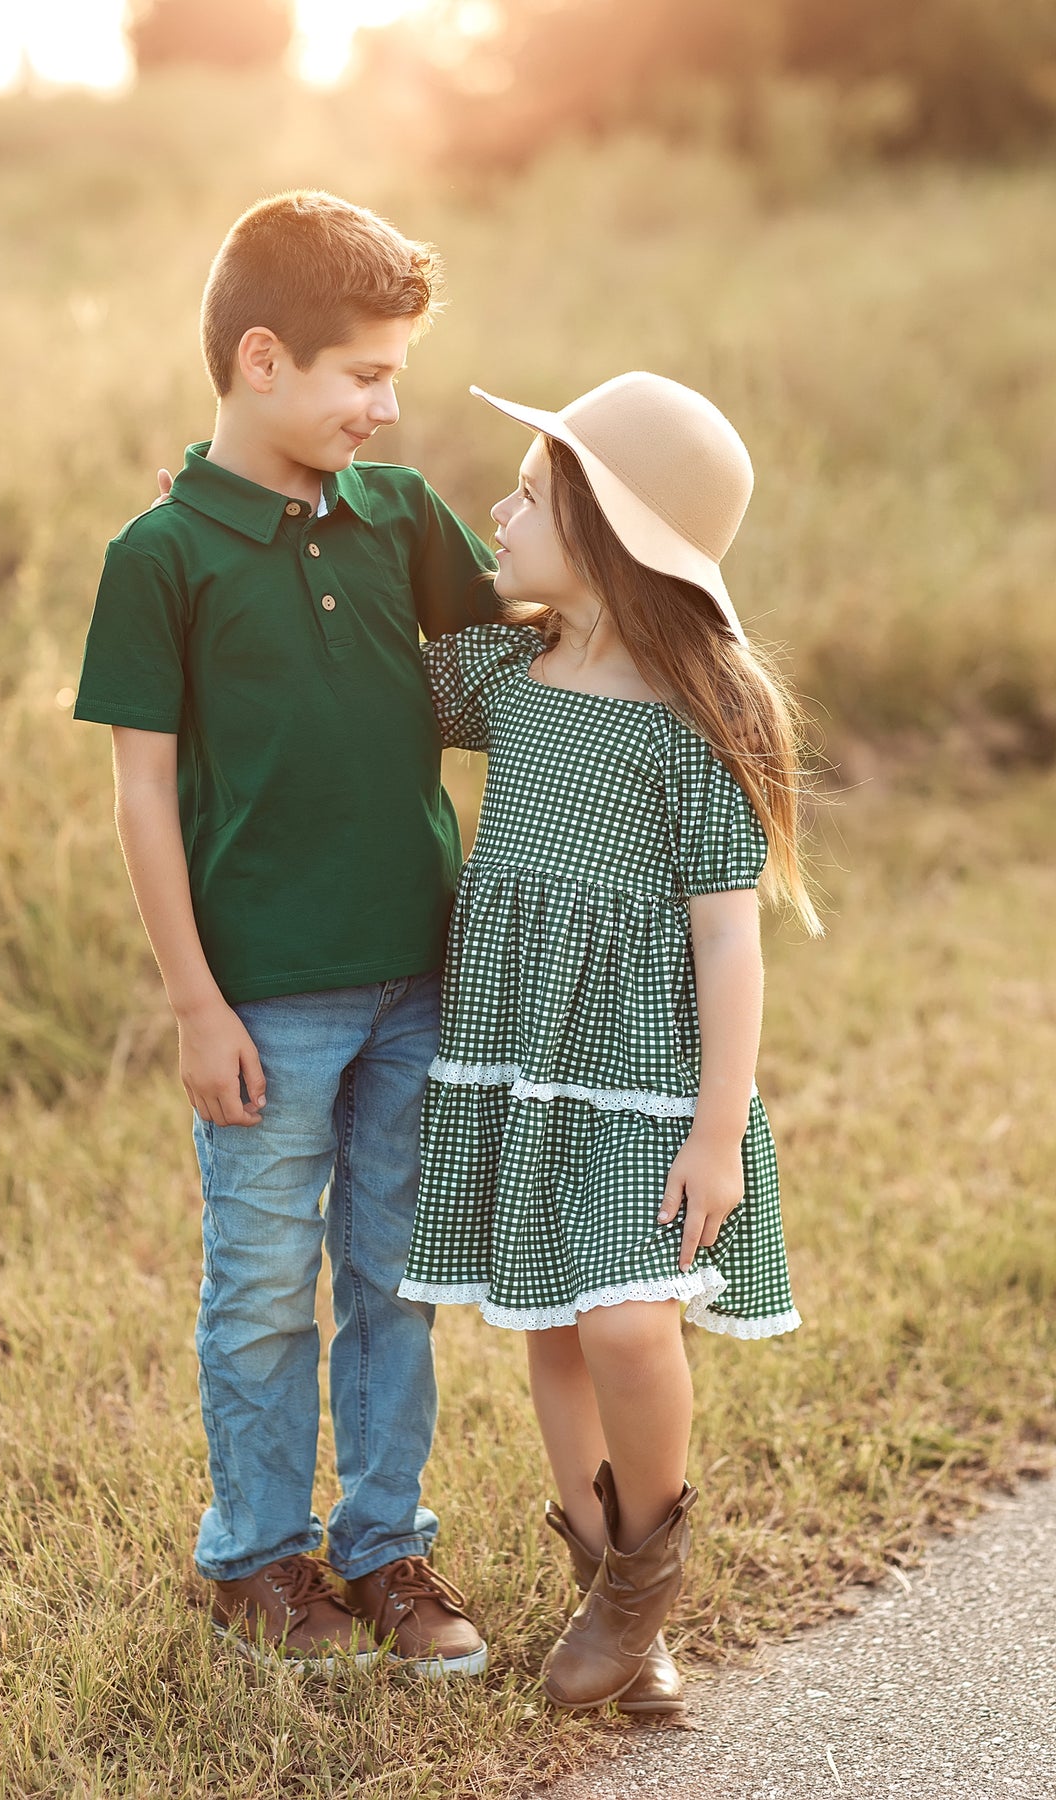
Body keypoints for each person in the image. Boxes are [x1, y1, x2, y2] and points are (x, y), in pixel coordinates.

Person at [73, 190, 497, 1677]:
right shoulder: (161, 554)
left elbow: (523, 658)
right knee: (262, 1287)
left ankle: (386, 1550)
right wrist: (195, 1001)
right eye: (365, 375)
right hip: (265, 1002)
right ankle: (255, 1561)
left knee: (394, 1275)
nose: (390, 406)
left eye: (395, 374)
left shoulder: (399, 518)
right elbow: (138, 798)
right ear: (264, 359)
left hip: (419, 983)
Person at [398, 371, 822, 1713]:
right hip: (522, 1058)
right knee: (555, 1325)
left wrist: (717, 1131)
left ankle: (644, 1588)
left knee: (632, 1327)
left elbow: (727, 937)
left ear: (606, 529)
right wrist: (233, 504)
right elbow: (342, 648)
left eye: (528, 494)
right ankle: (606, 1589)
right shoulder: (501, 672)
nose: (499, 512)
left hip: (640, 1073)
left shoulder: (709, 712)